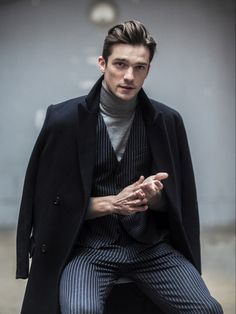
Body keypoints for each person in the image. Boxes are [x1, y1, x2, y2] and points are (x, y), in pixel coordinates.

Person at [16, 20, 223, 314]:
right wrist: (112, 203)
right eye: (120, 64)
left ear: (148, 70)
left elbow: (182, 202)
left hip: (150, 248)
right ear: (103, 63)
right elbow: (48, 207)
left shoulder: (167, 121)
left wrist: (155, 198)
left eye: (139, 67)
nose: (129, 76)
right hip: (88, 250)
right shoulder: (64, 120)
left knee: (208, 310)